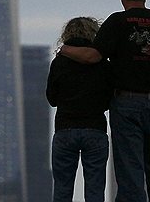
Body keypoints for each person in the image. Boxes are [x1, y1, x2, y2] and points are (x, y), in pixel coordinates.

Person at [60, 0, 150, 202]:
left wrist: (64, 49)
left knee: (130, 174)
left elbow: (93, 56)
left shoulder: (117, 22)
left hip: (127, 105)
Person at [46, 16, 113, 202]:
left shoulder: (59, 63)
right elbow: (109, 99)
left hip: (65, 129)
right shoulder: (103, 64)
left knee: (62, 190)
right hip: (95, 129)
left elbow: (52, 99)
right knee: (95, 191)